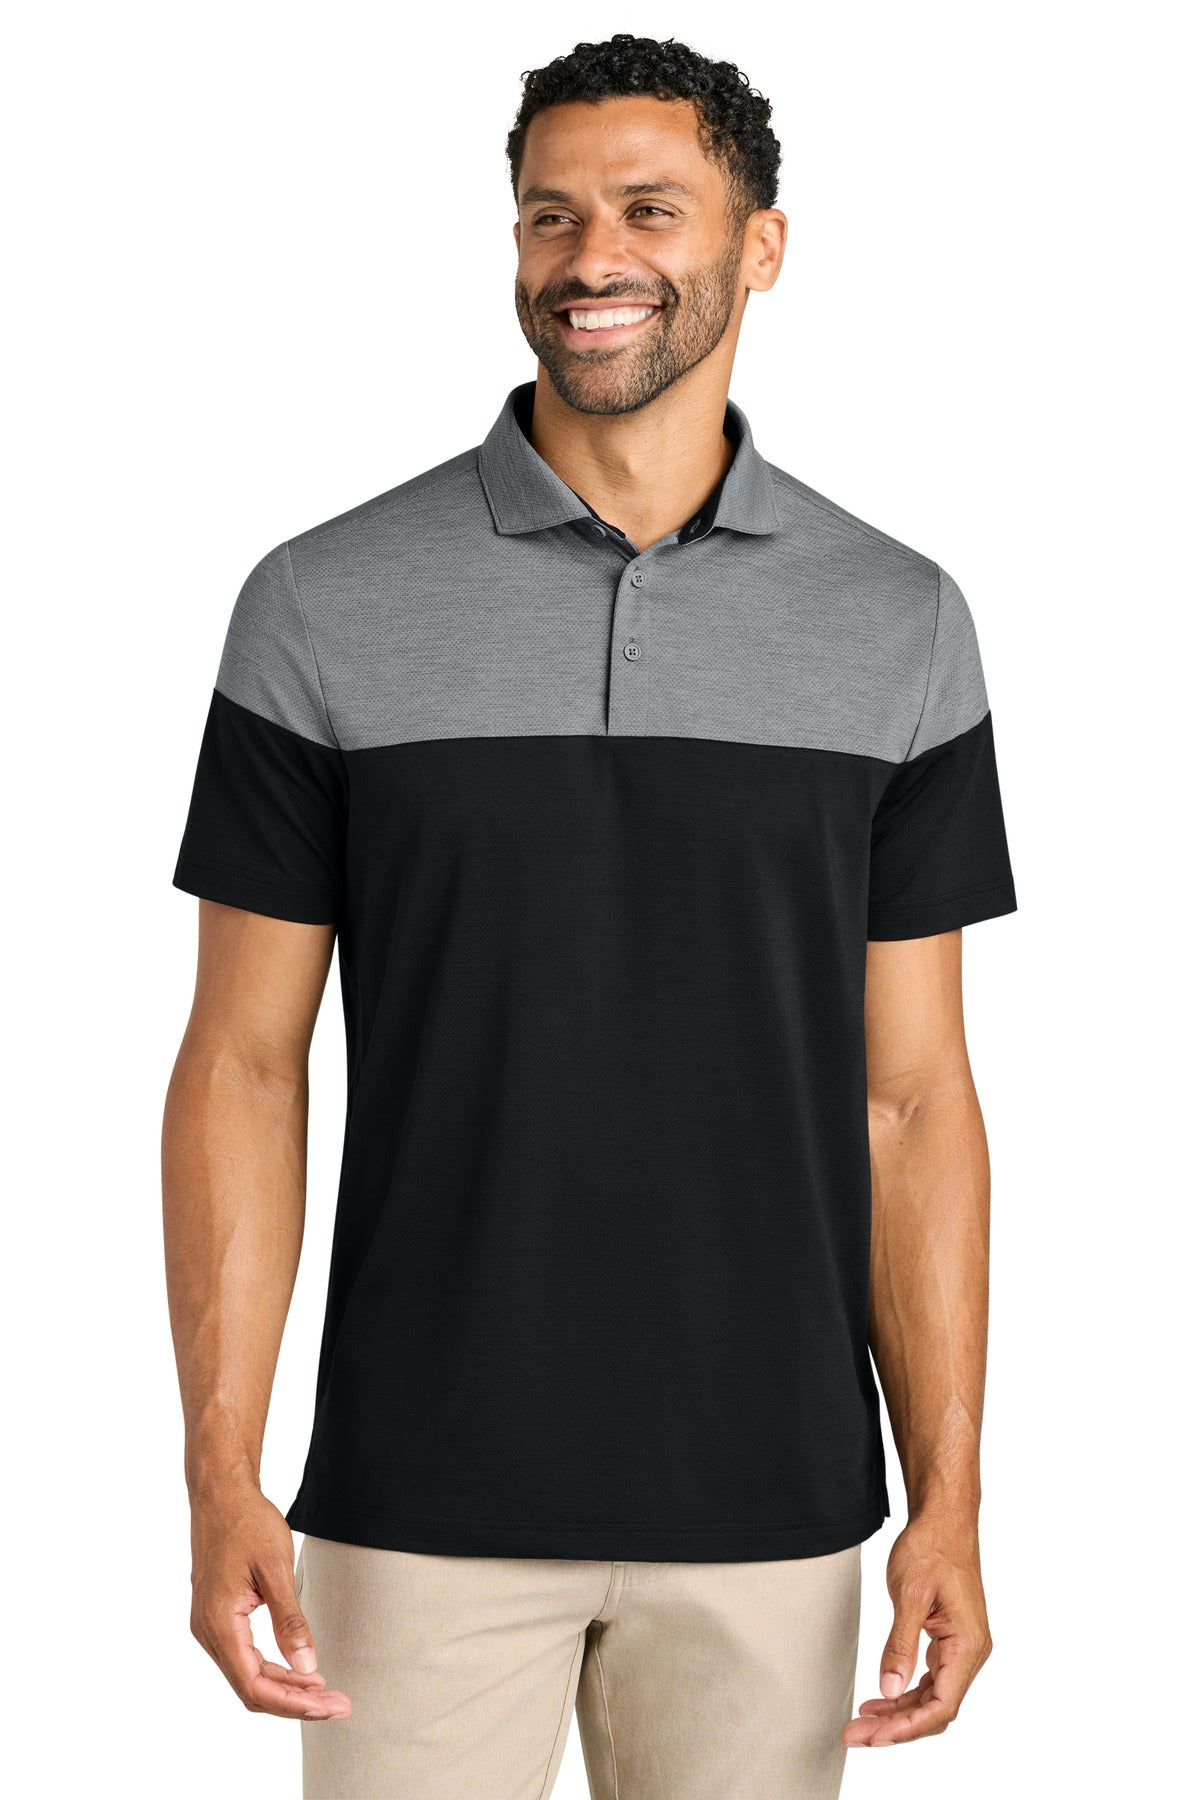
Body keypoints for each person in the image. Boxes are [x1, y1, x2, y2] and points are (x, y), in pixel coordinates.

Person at [163, 31, 1017, 1800]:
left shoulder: (901, 624)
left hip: (773, 1505)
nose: (591, 257)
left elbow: (914, 1097)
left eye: (648, 208)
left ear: (761, 246)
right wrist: (219, 1470)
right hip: (415, 1501)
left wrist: (950, 1497)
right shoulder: (322, 604)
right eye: (551, 216)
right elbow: (243, 1063)